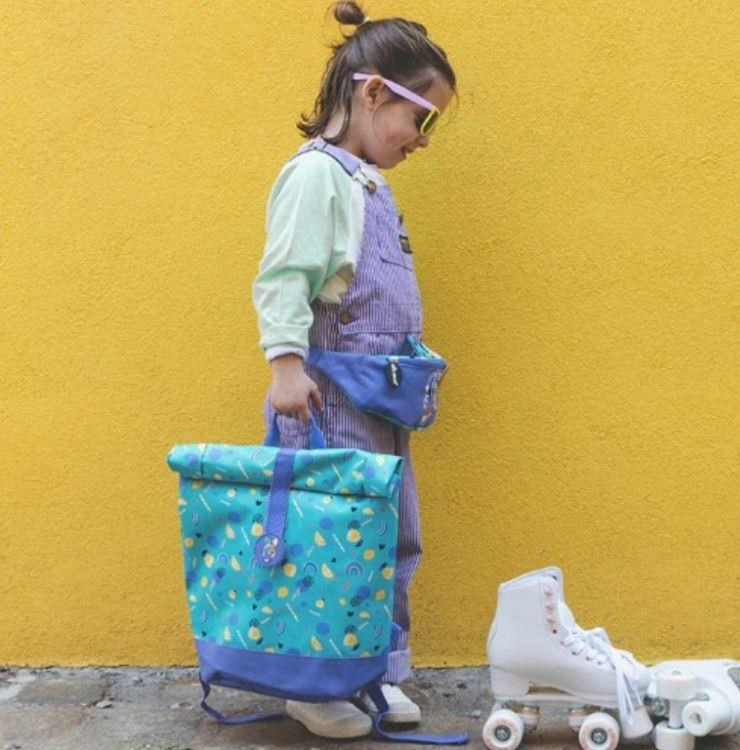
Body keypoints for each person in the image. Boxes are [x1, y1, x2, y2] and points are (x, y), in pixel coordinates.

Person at [251, 0, 456, 739]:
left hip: (377, 405)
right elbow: (284, 277)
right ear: (373, 93)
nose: (423, 138)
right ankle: (317, 680)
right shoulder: (318, 177)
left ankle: (375, 671)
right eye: (421, 118)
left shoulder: (367, 182)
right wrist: (285, 365)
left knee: (388, 537)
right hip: (326, 401)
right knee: (330, 540)